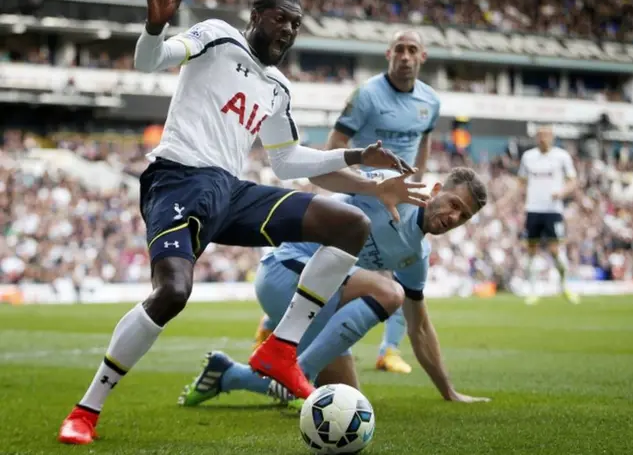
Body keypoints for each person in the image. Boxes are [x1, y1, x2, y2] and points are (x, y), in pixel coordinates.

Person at [58, 0, 427, 445]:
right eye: (280, 20)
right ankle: (86, 410)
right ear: (256, 18)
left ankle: (281, 348)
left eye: (295, 24)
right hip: (178, 177)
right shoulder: (218, 36)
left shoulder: (277, 87)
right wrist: (154, 28)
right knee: (172, 292)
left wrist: (356, 160)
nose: (288, 31)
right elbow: (150, 61)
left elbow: (288, 160)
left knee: (348, 224)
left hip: (231, 191)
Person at [178, 167, 491, 408]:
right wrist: (374, 184)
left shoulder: (416, 256)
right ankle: (297, 372)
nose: (453, 217)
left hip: (316, 300)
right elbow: (327, 177)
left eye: (463, 216)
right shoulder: (395, 186)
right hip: (286, 268)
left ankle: (228, 374)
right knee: (388, 292)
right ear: (435, 189)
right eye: (453, 204)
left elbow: (419, 327)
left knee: (344, 400)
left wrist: (448, 391)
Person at [252, 29, 440, 375]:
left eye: (413, 50)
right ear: (389, 54)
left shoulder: (430, 101)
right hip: (361, 194)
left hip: (400, 199)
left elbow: (423, 141)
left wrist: (415, 184)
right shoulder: (367, 95)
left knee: (396, 275)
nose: (405, 56)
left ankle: (389, 350)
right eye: (399, 49)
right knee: (343, 270)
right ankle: (277, 321)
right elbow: (336, 141)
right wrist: (347, 183)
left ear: (422, 57)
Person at [518, 125, 579, 305]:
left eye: (546, 135)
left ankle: (564, 285)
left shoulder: (562, 157)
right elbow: (521, 181)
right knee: (531, 251)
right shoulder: (528, 157)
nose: (542, 138)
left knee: (554, 250)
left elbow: (573, 181)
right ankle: (533, 290)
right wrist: (510, 201)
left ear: (552, 137)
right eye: (540, 135)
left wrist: (562, 192)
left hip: (553, 210)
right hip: (533, 209)